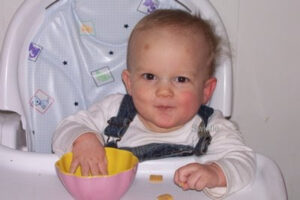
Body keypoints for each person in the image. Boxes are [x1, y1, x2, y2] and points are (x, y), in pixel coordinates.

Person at [53, 9, 255, 199]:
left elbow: (244, 161)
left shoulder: (210, 128)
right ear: (129, 83)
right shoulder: (113, 112)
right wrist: (84, 140)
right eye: (150, 76)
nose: (164, 91)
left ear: (206, 91)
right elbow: (65, 129)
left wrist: (215, 172)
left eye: (181, 79)